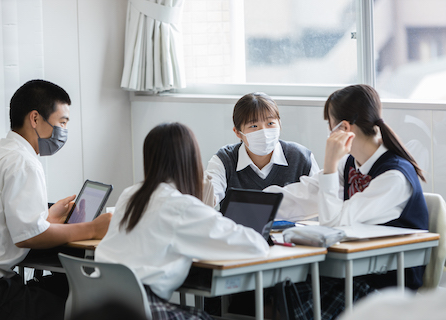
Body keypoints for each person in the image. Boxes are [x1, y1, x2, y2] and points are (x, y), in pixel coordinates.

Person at [266, 84, 429, 319]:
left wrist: (330, 163)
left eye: (329, 125)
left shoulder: (395, 176)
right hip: (352, 272)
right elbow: (308, 194)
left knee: (290, 295)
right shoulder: (350, 162)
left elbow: (334, 222)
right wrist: (255, 205)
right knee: (281, 287)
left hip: (386, 285)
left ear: (343, 128)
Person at [0, 80, 112, 320]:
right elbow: (29, 237)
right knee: (84, 303)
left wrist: (46, 217)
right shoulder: (23, 162)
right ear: (35, 119)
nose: (64, 131)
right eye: (62, 122)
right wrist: (92, 228)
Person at [95, 122, 269, 320]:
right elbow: (255, 247)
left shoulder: (131, 194)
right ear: (191, 160)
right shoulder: (179, 206)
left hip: (99, 304)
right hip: (139, 309)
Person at [205, 92, 320, 212]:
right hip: (238, 229)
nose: (264, 132)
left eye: (270, 123)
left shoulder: (301, 157)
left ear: (279, 124)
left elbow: (319, 199)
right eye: (254, 126)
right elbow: (209, 196)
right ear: (238, 132)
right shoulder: (224, 160)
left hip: (291, 230)